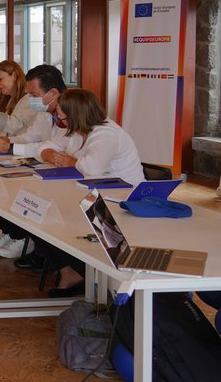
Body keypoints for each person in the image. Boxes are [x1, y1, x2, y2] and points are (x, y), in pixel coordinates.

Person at [35, 88, 145, 297]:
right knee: (40, 219)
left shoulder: (107, 134)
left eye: (61, 113)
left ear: (75, 115)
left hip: (122, 203)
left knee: (55, 220)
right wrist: (52, 155)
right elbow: (48, 147)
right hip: (93, 197)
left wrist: (71, 161)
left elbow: (91, 168)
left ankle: (94, 276)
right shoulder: (77, 131)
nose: (58, 116)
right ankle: (72, 271)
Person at [0, 64, 68, 259]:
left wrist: (10, 147)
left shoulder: (71, 114)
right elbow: (30, 137)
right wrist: (6, 142)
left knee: (22, 195)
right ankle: (30, 244)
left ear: (53, 93)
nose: (32, 100)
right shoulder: (46, 112)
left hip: (67, 177)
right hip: (51, 170)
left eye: (35, 95)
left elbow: (51, 146)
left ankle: (36, 247)